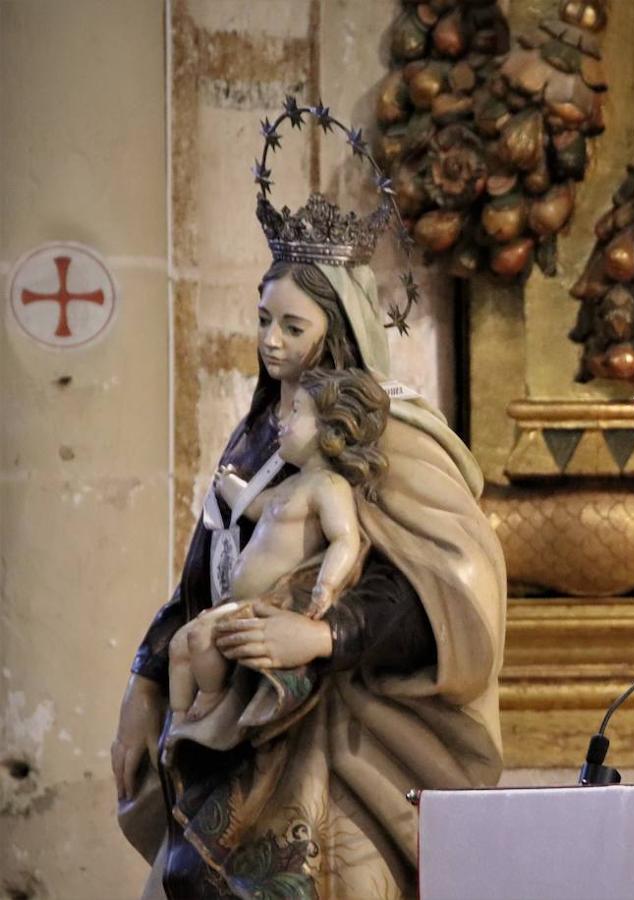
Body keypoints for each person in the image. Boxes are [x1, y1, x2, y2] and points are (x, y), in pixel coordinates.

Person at [111, 250, 507, 897]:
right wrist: (143, 685)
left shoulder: (392, 437)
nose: (270, 340)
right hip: (232, 714)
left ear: (339, 328)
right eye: (263, 319)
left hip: (340, 733)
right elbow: (203, 575)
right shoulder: (258, 435)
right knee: (191, 877)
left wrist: (324, 636)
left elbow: (442, 585)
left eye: (293, 327)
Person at [168, 367, 389, 723]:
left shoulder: (328, 486)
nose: (283, 421)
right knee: (179, 646)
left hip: (267, 604)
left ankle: (211, 711)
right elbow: (253, 506)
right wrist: (229, 485)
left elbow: (344, 538)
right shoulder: (289, 486)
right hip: (235, 599)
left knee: (198, 641)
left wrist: (327, 585)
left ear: (330, 428)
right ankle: (177, 725)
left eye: (297, 412)